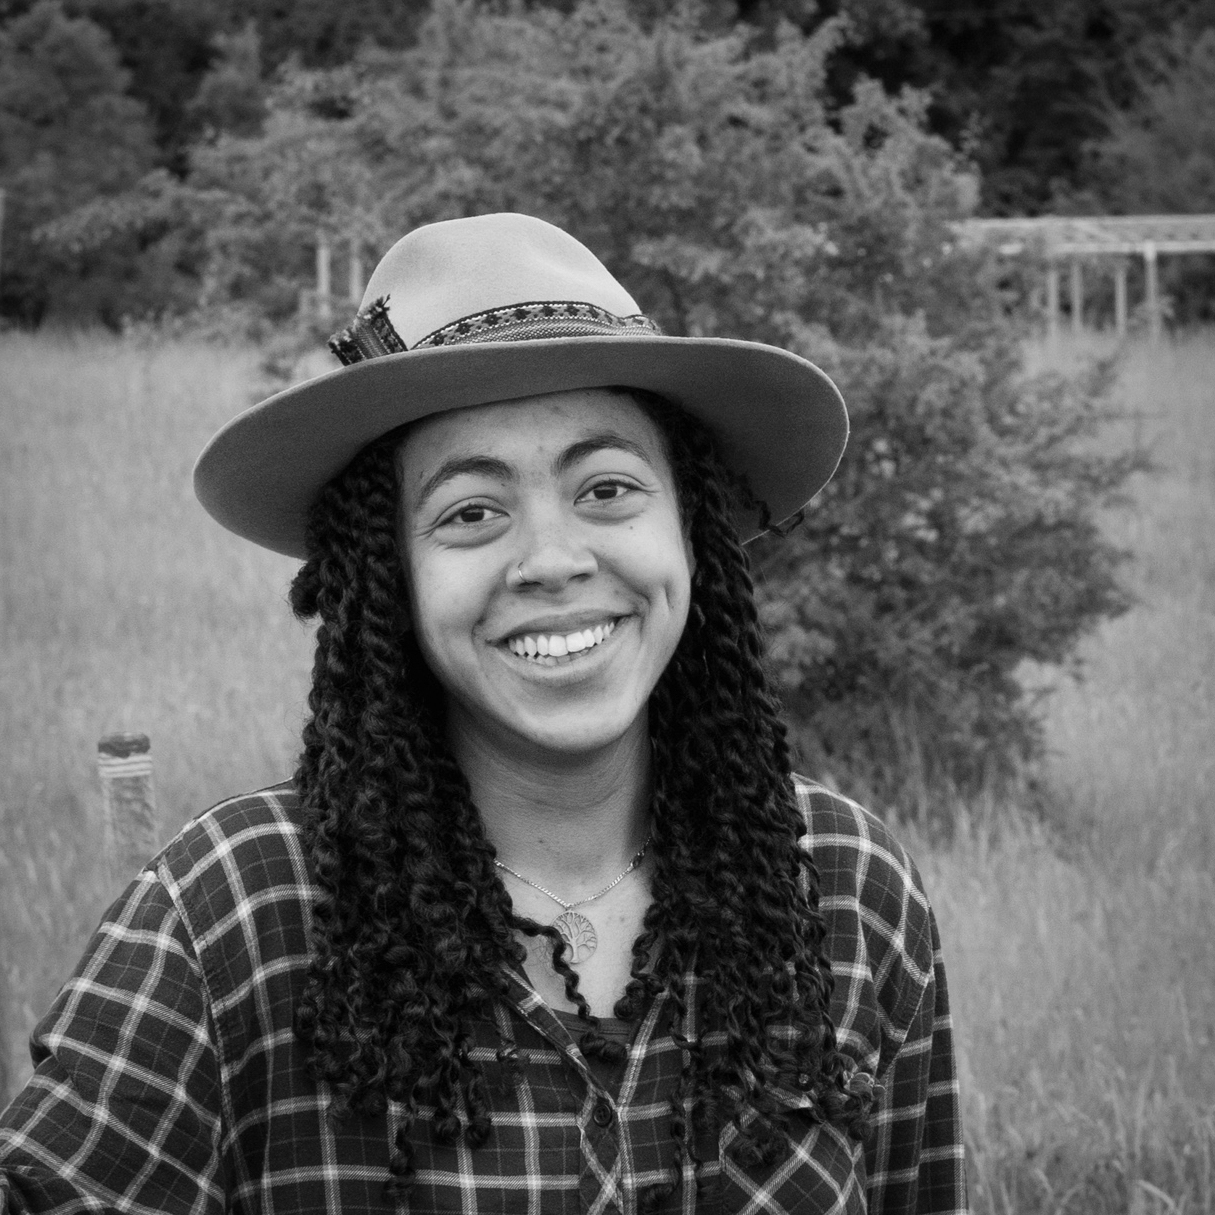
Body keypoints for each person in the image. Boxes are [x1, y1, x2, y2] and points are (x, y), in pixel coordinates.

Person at [0, 213, 967, 1215]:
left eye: (607, 488)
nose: (553, 559)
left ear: (692, 528)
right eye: (471, 512)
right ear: (389, 578)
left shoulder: (845, 889)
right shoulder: (229, 915)